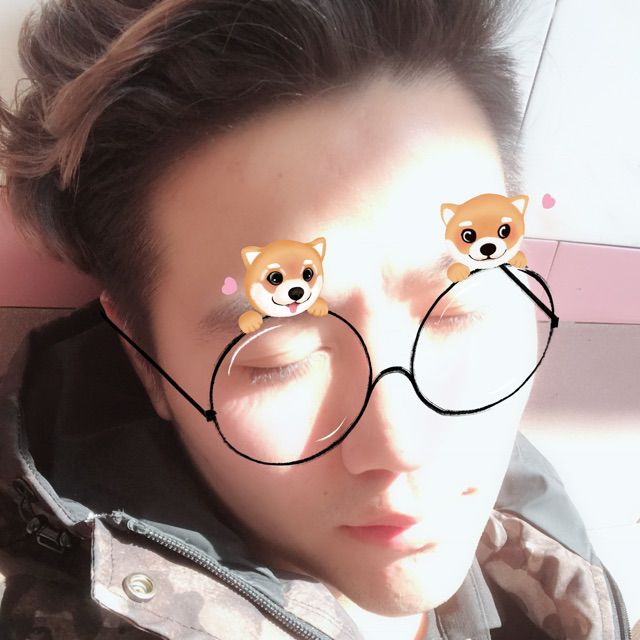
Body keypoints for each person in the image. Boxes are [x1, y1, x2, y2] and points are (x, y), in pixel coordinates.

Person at [0, 1, 630, 638]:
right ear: (145, 362)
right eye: (282, 357)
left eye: (460, 310)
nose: (406, 446)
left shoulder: (546, 546)